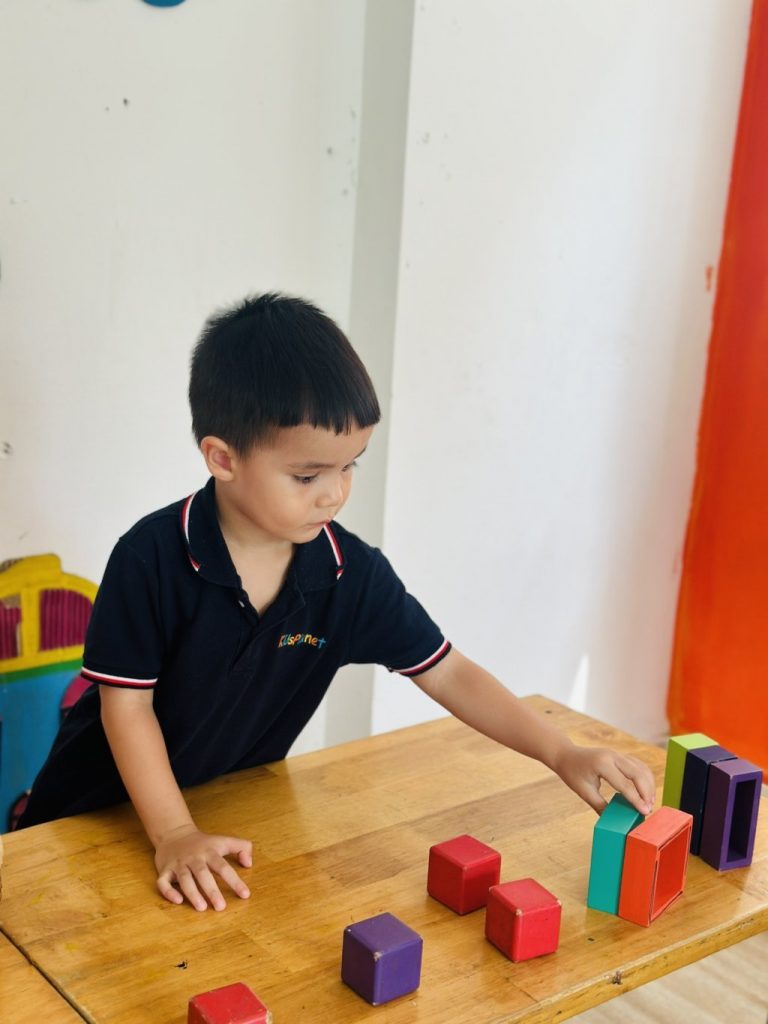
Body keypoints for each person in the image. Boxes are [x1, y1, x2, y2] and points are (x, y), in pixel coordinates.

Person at [19, 293, 655, 911]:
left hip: (222, 821)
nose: (335, 494)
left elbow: (448, 671)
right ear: (223, 458)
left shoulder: (350, 574)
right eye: (307, 476)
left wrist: (562, 752)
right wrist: (175, 833)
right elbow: (126, 709)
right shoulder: (150, 558)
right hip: (86, 822)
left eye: (350, 466)